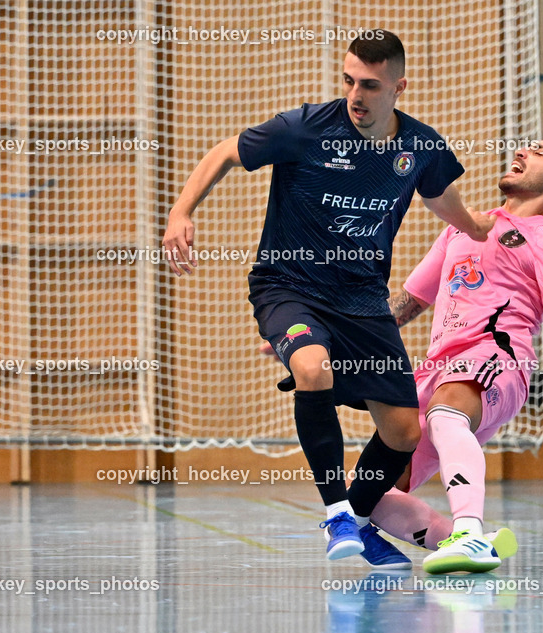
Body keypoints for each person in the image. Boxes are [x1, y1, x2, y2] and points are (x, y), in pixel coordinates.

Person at [163, 30, 495, 567]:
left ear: (398, 87)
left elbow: (442, 198)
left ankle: (359, 521)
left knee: (405, 431)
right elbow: (226, 151)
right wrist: (181, 212)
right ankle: (337, 514)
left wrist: (480, 227)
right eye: (348, 81)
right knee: (312, 367)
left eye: (370, 84)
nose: (356, 95)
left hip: (363, 301)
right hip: (289, 287)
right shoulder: (307, 128)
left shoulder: (420, 147)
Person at [366, 132, 543, 574]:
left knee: (447, 413)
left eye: (541, 152)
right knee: (369, 492)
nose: (523, 151)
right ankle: (472, 543)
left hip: (497, 358)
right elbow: (408, 302)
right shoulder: (464, 224)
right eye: (527, 146)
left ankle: (468, 532)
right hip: (437, 371)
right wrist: (332, 334)